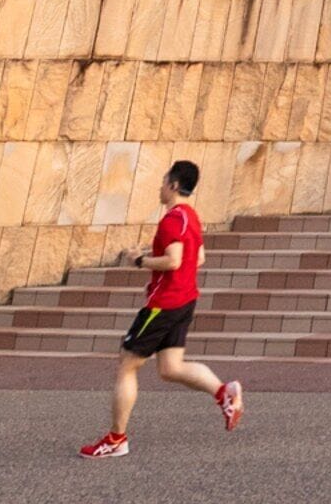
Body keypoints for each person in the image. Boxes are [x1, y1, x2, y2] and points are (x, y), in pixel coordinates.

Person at [82, 159, 245, 459]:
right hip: (185, 300)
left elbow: (174, 260)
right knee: (171, 368)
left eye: (162, 181)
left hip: (163, 304)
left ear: (172, 185)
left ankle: (116, 439)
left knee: (127, 364)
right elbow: (199, 258)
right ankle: (224, 393)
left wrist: (139, 260)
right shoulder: (191, 217)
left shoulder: (172, 220)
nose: (159, 187)